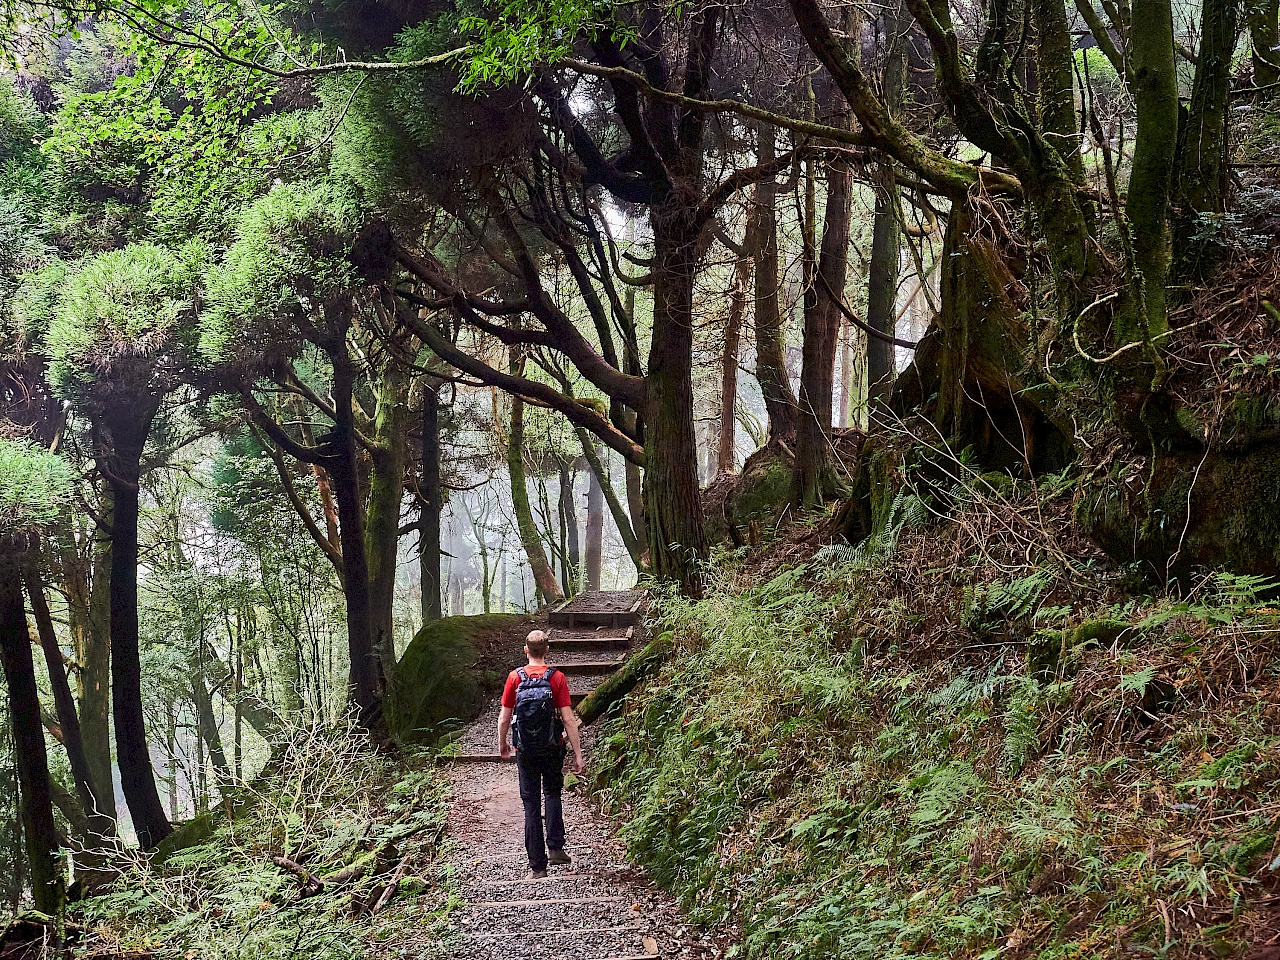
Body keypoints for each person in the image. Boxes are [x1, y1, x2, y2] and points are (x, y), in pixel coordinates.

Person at [498, 629, 585, 879]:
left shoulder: (515, 678)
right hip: (552, 747)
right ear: (547, 650)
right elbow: (568, 720)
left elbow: (504, 718)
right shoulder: (556, 678)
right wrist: (578, 754)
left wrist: (503, 744)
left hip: (524, 749)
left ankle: (537, 867)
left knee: (531, 804)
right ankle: (556, 849)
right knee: (552, 793)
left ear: (526, 650)